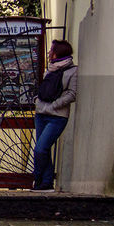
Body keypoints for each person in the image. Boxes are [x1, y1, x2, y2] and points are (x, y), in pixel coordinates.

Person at [32, 39, 78, 190]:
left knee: (40, 149)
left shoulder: (73, 71)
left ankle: (38, 179)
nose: (49, 53)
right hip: (41, 114)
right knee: (43, 149)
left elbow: (72, 94)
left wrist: (54, 106)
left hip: (57, 117)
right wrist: (38, 101)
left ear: (58, 52)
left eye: (51, 50)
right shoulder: (50, 69)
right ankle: (46, 183)